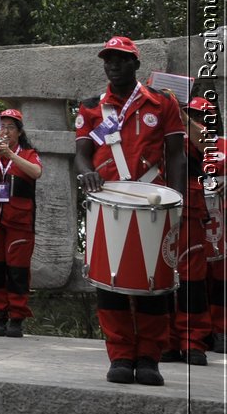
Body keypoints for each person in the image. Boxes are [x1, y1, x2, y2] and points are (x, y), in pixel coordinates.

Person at [73, 35, 186, 386]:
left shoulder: (162, 102)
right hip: (108, 199)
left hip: (154, 201)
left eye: (121, 59)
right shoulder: (92, 107)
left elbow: (177, 155)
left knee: (154, 282)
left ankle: (149, 357)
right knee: (111, 281)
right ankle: (120, 355)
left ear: (136, 64)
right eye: (108, 59)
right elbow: (80, 154)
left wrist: (177, 202)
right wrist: (86, 171)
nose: (113, 65)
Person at [0, 108, 41, 337]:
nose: (5, 131)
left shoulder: (29, 153)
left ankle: (16, 318)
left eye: (10, 127)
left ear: (19, 132)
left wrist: (11, 156)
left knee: (18, 271)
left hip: (20, 222)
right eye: (1, 126)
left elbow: (36, 173)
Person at [174, 96, 221, 363]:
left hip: (191, 205)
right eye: (193, 113)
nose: (197, 119)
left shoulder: (207, 139)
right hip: (156, 200)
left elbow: (205, 145)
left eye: (202, 116)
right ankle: (166, 340)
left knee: (192, 277)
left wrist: (183, 117)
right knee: (161, 276)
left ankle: (192, 340)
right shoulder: (162, 126)